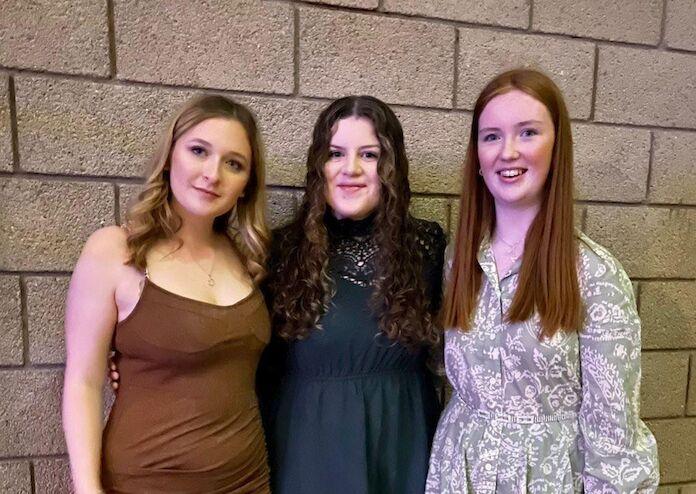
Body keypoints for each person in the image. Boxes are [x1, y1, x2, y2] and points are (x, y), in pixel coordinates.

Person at [425, 68, 659, 493]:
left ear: (557, 147)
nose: (508, 151)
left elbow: (613, 437)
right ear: (477, 156)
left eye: (528, 132)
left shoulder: (595, 276)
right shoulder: (458, 260)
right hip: (460, 473)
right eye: (491, 136)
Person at [62, 95, 271, 494]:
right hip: (148, 481)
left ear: (246, 185)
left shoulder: (248, 258)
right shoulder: (114, 250)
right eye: (198, 151)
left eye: (234, 164)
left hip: (248, 481)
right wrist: (87, 489)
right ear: (170, 157)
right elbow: (83, 382)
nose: (212, 174)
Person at [258, 95, 446, 494]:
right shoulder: (281, 252)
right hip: (308, 455)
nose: (351, 169)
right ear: (318, 166)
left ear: (392, 167)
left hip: (401, 450)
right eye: (336, 154)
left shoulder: (426, 247)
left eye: (370, 155)